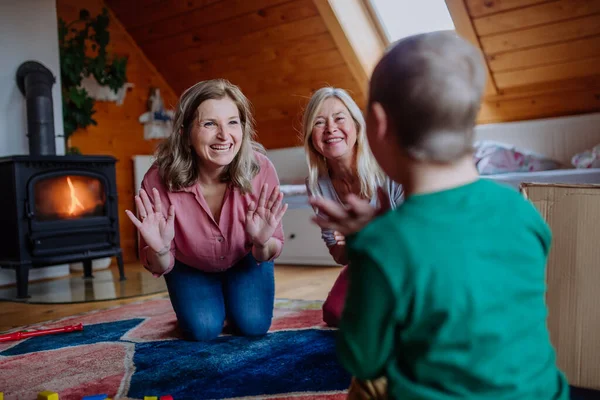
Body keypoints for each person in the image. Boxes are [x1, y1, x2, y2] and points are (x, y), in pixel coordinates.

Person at [310, 31, 569, 399]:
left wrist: (368, 248)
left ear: (378, 125)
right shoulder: (521, 211)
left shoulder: (386, 245)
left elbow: (361, 357)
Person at [125, 79, 287, 342]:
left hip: (245, 259)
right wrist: (161, 250)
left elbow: (270, 248)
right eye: (210, 124)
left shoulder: (261, 169)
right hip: (189, 265)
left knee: (254, 326)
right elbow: (160, 264)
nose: (224, 135)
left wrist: (261, 242)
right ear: (185, 132)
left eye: (233, 122)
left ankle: (230, 296)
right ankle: (210, 302)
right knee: (203, 330)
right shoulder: (158, 179)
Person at [301, 87, 403, 327]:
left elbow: (416, 239)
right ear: (311, 137)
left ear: (357, 126)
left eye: (339, 118)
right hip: (367, 263)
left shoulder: (389, 166)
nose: (330, 129)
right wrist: (356, 243)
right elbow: (338, 254)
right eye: (319, 122)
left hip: (410, 262)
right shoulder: (317, 184)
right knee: (334, 313)